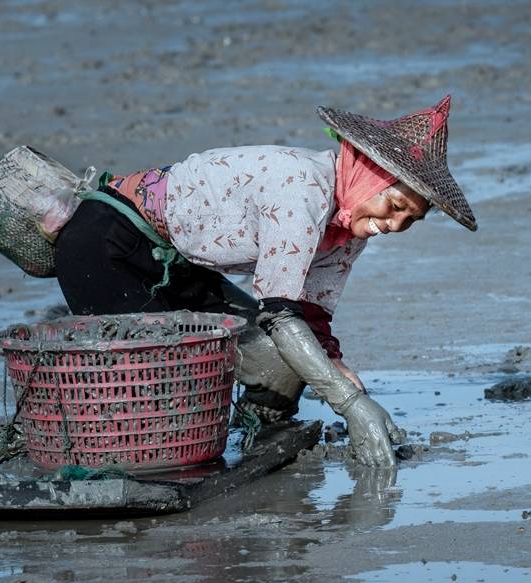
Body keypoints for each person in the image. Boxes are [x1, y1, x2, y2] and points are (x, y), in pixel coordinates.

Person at [53, 96, 477, 467]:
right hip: (106, 242)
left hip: (176, 262)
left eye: (411, 220)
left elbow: (308, 311)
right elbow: (279, 315)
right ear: (366, 172)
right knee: (165, 383)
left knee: (284, 366)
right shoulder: (303, 188)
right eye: (396, 204)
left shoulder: (350, 224)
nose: (395, 224)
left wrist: (334, 366)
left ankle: (252, 434)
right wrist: (351, 406)